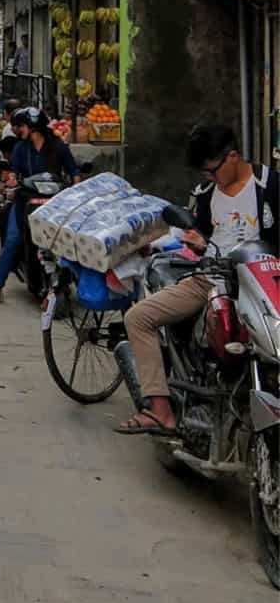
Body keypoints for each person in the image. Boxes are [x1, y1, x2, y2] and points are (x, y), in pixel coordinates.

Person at [117, 124, 279, 435]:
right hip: (210, 279)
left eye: (212, 171)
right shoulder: (205, 194)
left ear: (232, 157)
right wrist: (196, 242)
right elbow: (197, 231)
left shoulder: (270, 185)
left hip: (263, 283)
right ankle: (161, 412)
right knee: (139, 317)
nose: (208, 178)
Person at [0, 107, 78, 305]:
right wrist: (11, 180)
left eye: (21, 126)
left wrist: (77, 189)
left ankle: (62, 282)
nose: (19, 130)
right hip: (24, 202)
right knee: (12, 240)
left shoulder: (59, 147)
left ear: (31, 127)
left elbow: (74, 172)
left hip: (54, 205)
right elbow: (13, 173)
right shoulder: (20, 149)